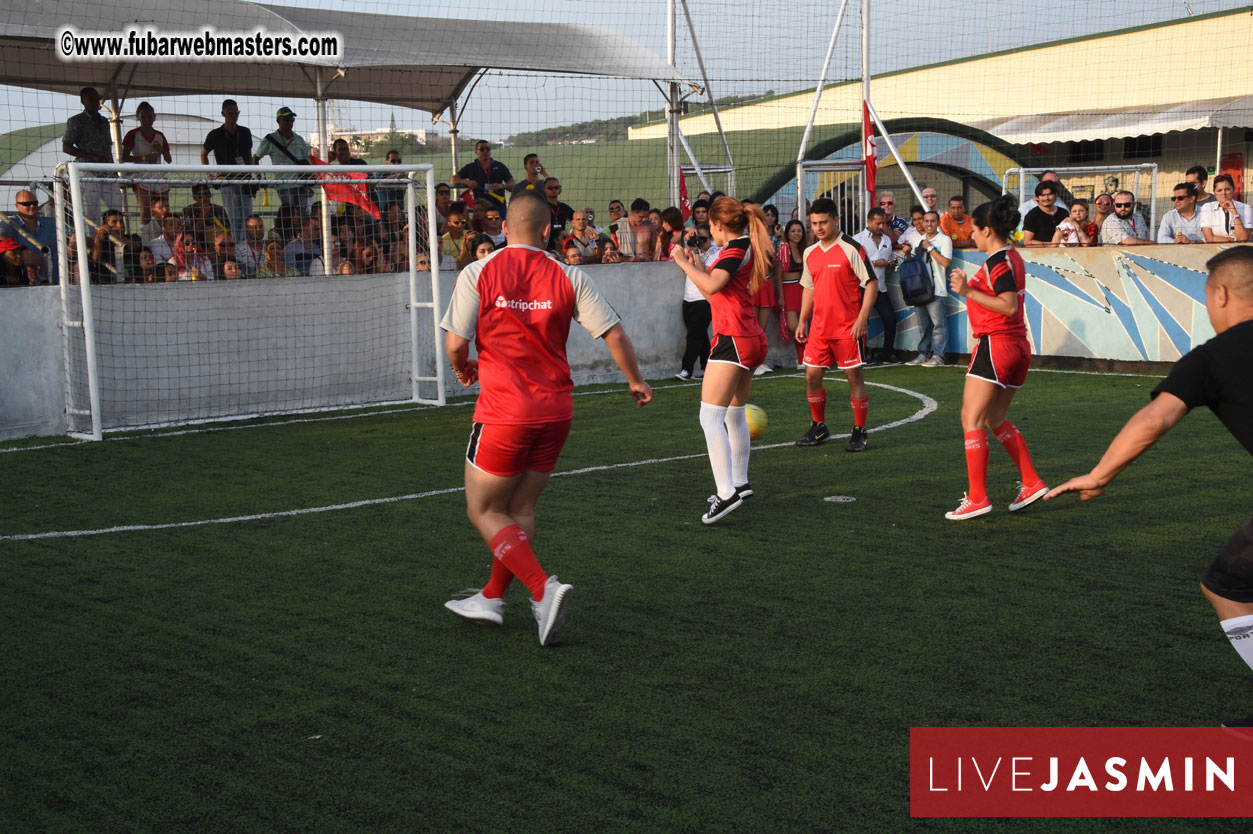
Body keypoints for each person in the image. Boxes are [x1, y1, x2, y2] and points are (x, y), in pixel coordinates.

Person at [1045, 245, 1253, 728]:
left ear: (1220, 295)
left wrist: (1100, 474)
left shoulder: (1213, 357)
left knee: (1227, 586)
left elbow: (1157, 416)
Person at [439, 191, 652, 646]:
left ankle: (542, 589)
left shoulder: (478, 271)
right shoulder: (568, 274)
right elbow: (614, 332)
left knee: (483, 509)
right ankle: (493, 597)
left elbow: (455, 346)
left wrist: (462, 369)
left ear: (505, 230)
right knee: (520, 509)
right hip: (556, 411)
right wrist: (635, 380)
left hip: (503, 412)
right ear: (544, 230)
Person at [944, 194, 1047, 520]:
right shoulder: (1012, 256)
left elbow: (1007, 305)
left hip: (997, 345)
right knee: (995, 418)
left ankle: (977, 497)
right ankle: (1031, 482)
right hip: (1017, 347)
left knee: (970, 419)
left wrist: (967, 291)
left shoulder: (998, 261)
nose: (971, 235)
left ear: (987, 230)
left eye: (975, 229)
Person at [670, 197, 772, 523]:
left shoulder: (735, 249)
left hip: (734, 338)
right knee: (733, 413)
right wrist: (697, 264)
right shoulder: (744, 246)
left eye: (710, 227)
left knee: (709, 417)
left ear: (718, 225)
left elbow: (713, 285)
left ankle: (726, 493)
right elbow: (717, 289)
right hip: (749, 338)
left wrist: (682, 264)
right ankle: (739, 483)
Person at [794, 198, 877, 453]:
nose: (818, 228)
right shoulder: (810, 252)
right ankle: (819, 426)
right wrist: (802, 320)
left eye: (823, 222)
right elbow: (809, 288)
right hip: (819, 329)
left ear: (836, 220)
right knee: (812, 377)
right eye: (814, 223)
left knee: (854, 378)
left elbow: (871, 283)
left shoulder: (852, 248)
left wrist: (862, 318)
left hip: (848, 329)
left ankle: (859, 431)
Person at [62, 86, 123, 216]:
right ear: (83, 102)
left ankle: (116, 234)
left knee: (117, 206)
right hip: (87, 170)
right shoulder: (76, 121)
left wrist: (114, 173)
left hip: (108, 171)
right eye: (90, 99)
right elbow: (66, 146)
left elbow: (107, 149)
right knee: (92, 208)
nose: (95, 102)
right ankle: (94, 235)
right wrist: (92, 156)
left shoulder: (104, 122)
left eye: (97, 99)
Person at [201, 99, 254, 239]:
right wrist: (209, 174)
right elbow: (203, 153)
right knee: (233, 217)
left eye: (236, 112)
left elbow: (249, 155)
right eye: (230, 112)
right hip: (227, 181)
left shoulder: (245, 132)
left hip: (245, 180)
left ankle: (246, 247)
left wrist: (252, 174)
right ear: (223, 113)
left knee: (247, 216)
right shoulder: (215, 134)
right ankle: (236, 246)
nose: (233, 115)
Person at [853, 208, 900, 365]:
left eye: (884, 223)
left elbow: (885, 264)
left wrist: (888, 264)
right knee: (862, 320)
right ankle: (860, 354)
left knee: (890, 319)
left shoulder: (887, 240)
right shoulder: (858, 239)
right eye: (878, 223)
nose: (881, 226)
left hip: (880, 287)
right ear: (868, 221)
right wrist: (875, 263)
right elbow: (853, 264)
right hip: (862, 286)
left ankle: (886, 353)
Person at [908, 211, 952, 367]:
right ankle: (923, 353)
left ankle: (939, 355)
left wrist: (930, 248)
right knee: (924, 325)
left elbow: (945, 263)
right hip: (919, 289)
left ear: (938, 222)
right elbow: (914, 263)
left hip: (937, 288)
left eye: (932, 221)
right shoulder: (918, 240)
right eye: (926, 221)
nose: (928, 224)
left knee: (938, 324)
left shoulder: (944, 240)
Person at [120, 101, 171, 226]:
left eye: (150, 116)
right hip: (142, 177)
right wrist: (144, 157)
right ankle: (146, 242)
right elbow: (124, 157)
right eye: (144, 116)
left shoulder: (159, 135)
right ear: (138, 117)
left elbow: (169, 159)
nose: (147, 120)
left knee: (163, 213)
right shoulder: (132, 134)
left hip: (158, 176)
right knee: (146, 213)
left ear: (154, 117)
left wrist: (162, 150)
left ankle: (165, 240)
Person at [253, 107, 312, 209]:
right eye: (286, 119)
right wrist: (259, 178)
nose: (290, 122)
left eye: (292, 119)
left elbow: (307, 163)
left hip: (301, 184)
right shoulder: (270, 139)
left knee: (302, 216)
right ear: (278, 120)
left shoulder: (299, 139)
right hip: (283, 185)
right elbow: (255, 158)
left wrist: (309, 185)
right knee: (289, 214)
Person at [674, 226, 713, 381]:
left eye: (704, 239)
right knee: (700, 336)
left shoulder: (715, 253)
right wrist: (685, 232)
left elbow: (702, 272)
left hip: (704, 299)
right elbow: (673, 243)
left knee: (694, 336)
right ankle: (707, 367)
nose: (699, 241)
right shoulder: (689, 248)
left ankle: (686, 369)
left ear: (711, 239)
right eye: (698, 237)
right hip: (688, 298)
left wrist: (696, 253)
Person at [2, 190, 57, 284]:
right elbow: (0, 238)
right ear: (17, 206)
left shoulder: (53, 223)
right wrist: (21, 252)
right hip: (26, 284)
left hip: (58, 282)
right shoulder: (9, 224)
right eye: (26, 204)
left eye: (34, 203)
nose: (32, 206)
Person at [775, 219, 807, 370]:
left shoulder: (805, 249)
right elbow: (778, 275)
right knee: (795, 326)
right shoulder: (783, 249)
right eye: (793, 231)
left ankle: (802, 360)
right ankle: (811, 354)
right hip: (788, 290)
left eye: (799, 231)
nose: (796, 234)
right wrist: (780, 296)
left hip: (803, 289)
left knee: (804, 326)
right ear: (787, 233)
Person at [450, 140, 514, 212]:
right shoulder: (471, 167)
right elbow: (453, 180)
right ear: (476, 152)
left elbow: (512, 184)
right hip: (480, 210)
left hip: (499, 208)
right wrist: (466, 182)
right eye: (482, 149)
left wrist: (502, 186)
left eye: (488, 149)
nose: (485, 151)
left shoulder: (499, 166)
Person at [1199, 174, 1252, 244]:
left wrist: (1234, 213)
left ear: (1233, 189)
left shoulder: (1245, 208)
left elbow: (1243, 238)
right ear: (1214, 192)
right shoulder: (1207, 207)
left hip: (1240, 251)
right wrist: (1235, 240)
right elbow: (1209, 238)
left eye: (1227, 189)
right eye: (1219, 190)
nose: (1223, 193)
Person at [1020, 181, 1067, 246]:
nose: (1046, 198)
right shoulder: (1032, 216)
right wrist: (1051, 245)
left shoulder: (1064, 213)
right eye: (1042, 195)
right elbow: (1028, 242)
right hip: (1040, 254)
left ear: (1056, 195)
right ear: (1037, 198)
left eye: (1049, 194)